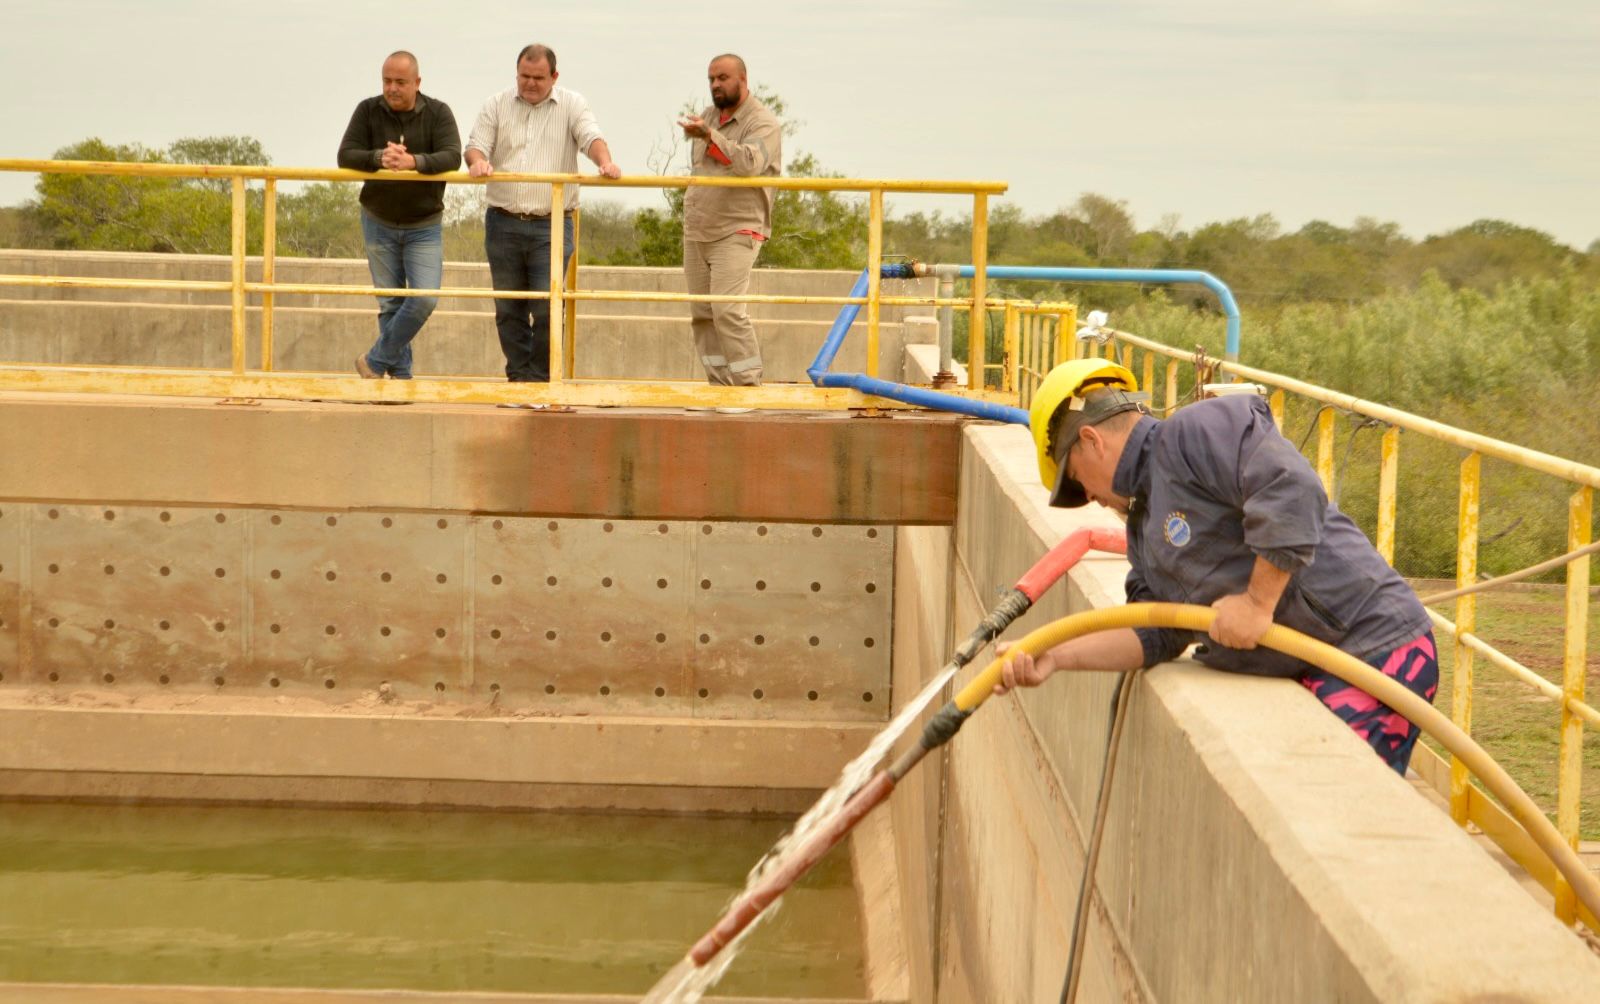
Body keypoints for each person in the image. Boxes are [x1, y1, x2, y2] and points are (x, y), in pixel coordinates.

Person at [997, 360, 1439, 775]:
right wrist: (1053, 656)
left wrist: (1257, 603)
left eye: (1076, 479)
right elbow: (1155, 631)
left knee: (1326, 801)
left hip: (1374, 646)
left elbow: (1291, 488)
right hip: (1311, 665)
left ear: (1092, 440)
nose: (1089, 498)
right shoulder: (1145, 529)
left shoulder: (1195, 432)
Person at [465, 44, 621, 384]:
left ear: (554, 76)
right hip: (503, 221)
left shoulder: (572, 104)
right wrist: (477, 162)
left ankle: (541, 382)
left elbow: (591, 137)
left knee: (548, 308)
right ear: (516, 73)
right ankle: (519, 381)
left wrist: (605, 162)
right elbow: (476, 145)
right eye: (524, 76)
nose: (530, 83)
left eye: (538, 78)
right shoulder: (496, 104)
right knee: (509, 309)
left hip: (552, 224)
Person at [338, 50, 461, 380]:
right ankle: (400, 379)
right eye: (387, 81)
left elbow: (452, 156)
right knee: (390, 304)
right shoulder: (367, 110)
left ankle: (374, 361)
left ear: (417, 82)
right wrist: (379, 157)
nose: (392, 88)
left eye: (400, 82)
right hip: (378, 220)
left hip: (424, 224)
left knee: (423, 299)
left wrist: (413, 163)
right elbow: (345, 155)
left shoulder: (438, 112)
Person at [679, 53, 781, 388]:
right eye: (711, 79)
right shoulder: (709, 116)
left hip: (738, 227)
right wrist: (706, 133)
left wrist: (710, 136)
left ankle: (747, 386)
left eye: (722, 78)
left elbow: (749, 163)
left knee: (727, 310)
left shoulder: (762, 122)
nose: (715, 85)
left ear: (743, 79)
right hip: (698, 228)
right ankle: (719, 387)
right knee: (702, 312)